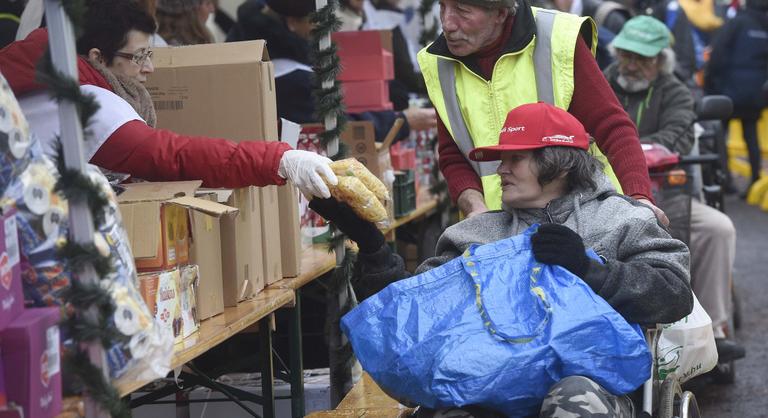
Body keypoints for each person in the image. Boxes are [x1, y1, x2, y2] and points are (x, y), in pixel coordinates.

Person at [311, 102, 693, 417]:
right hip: (488, 386)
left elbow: (675, 294)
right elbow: (413, 321)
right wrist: (372, 244)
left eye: (515, 159)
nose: (500, 170)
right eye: (499, 159)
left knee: (572, 398)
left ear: (559, 164)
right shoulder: (476, 234)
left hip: (592, 384)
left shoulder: (621, 220)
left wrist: (591, 269)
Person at [0, 0, 339, 200]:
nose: (149, 68)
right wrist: (278, 159)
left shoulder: (53, 81)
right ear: (98, 58)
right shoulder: (86, 103)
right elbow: (172, 156)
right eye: (140, 56)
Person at [416, 0, 667, 227]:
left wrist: (640, 198)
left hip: (585, 220)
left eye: (462, 10)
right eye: (442, 6)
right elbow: (452, 155)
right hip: (501, 233)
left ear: (501, 14)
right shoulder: (438, 62)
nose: (447, 23)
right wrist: (476, 209)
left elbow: (612, 127)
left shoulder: (557, 38)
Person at [605, 15, 745, 361]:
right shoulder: (600, 83)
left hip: (666, 192)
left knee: (718, 228)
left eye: (642, 58)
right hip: (605, 193)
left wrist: (619, 148)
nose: (632, 65)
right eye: (626, 55)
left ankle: (713, 327)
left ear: (661, 60)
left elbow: (674, 139)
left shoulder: (676, 92)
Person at [227, 0, 437, 139]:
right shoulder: (288, 76)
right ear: (292, 23)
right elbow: (339, 127)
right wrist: (402, 122)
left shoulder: (254, 53)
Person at [705, 0, 768, 195]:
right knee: (751, 136)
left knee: (719, 134)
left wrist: (709, 82)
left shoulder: (737, 22)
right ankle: (755, 179)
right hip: (755, 92)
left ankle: (725, 180)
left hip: (729, 90)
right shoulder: (764, 25)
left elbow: (718, 52)